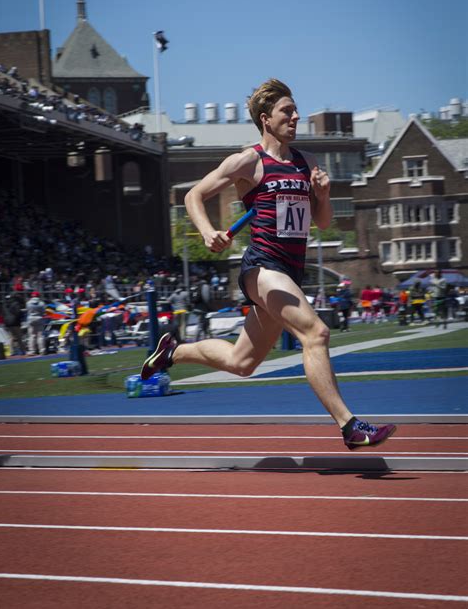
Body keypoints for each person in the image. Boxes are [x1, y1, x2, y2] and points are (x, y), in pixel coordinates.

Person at [141, 78, 396, 450]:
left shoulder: (306, 162)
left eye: (295, 110)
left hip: (289, 273)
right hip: (261, 268)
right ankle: (350, 426)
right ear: (265, 119)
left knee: (241, 363)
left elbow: (322, 223)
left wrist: (322, 196)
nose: (296, 116)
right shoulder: (248, 160)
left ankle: (172, 353)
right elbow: (194, 195)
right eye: (287, 111)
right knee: (316, 333)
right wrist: (208, 231)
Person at [25, 290, 46, 355]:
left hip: (31, 319)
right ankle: (42, 351)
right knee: (40, 336)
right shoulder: (41, 303)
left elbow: (28, 311)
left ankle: (32, 351)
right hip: (39, 318)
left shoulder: (28, 303)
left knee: (32, 336)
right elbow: (43, 312)